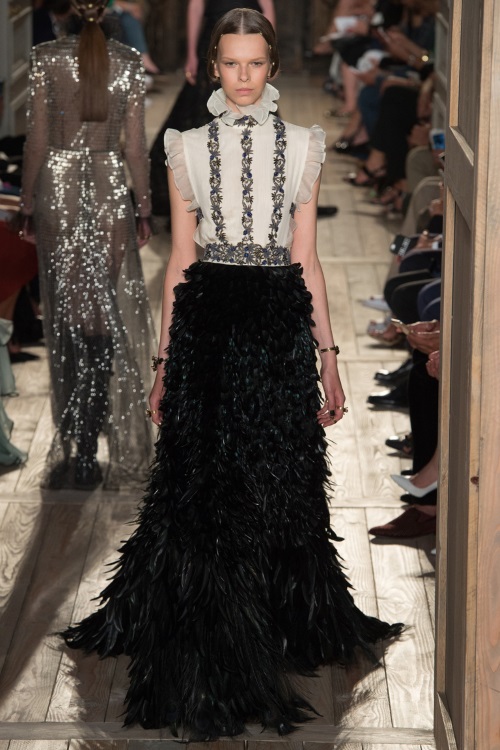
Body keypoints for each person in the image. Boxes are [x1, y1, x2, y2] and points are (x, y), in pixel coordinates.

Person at [62, 9, 403, 737]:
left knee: (282, 476)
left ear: (271, 68)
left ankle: (283, 617)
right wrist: (163, 364)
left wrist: (330, 359)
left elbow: (307, 260)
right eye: (231, 64)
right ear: (213, 66)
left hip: (277, 325)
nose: (243, 77)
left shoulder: (305, 145)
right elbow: (179, 264)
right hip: (209, 325)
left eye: (255, 64)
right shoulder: (185, 147)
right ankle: (214, 640)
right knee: (205, 487)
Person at [20, 0, 155, 489]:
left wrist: (27, 204)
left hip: (57, 190)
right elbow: (134, 146)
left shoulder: (46, 58)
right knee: (98, 319)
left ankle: (76, 441)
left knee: (66, 318)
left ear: (63, 14)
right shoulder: (128, 61)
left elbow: (37, 140)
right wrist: (143, 207)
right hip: (108, 191)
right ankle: (89, 445)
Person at [149, 0, 275, 217]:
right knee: (201, 114)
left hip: (252, 34)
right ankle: (202, 197)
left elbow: (268, 8)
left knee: (250, 112)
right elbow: (196, 6)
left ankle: (246, 194)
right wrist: (191, 54)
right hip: (214, 38)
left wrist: (270, 53)